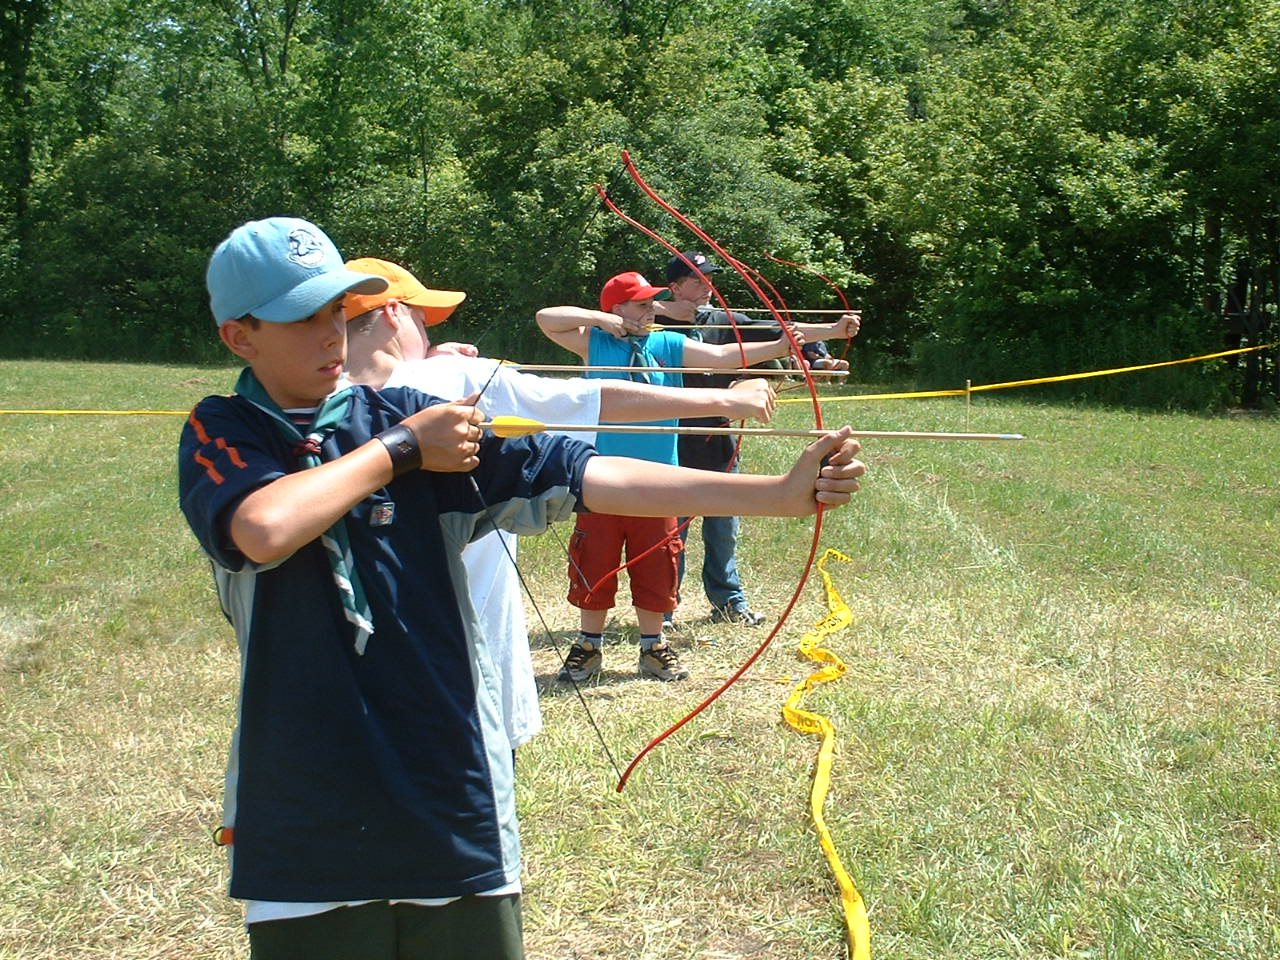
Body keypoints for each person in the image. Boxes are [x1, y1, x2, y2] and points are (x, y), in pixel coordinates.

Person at [178, 217, 867, 959]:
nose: (328, 335)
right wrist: (403, 450)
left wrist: (777, 494)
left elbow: (584, 472)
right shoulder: (228, 429)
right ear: (239, 337)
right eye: (299, 319)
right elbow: (264, 527)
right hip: (301, 792)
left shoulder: (407, 415)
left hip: (447, 782)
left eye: (335, 312)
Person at [341, 256, 778, 749]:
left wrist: (427, 363)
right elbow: (594, 398)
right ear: (394, 314)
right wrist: (728, 402)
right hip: (471, 683)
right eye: (422, 321)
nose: (428, 334)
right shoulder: (458, 378)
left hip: (363, 677)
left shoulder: (307, 409)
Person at [536, 271, 855, 682]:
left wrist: (780, 345)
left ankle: (653, 645)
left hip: (660, 480)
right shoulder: (594, 342)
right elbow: (547, 318)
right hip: (601, 478)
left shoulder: (667, 343)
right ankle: (588, 645)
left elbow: (722, 357)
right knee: (594, 562)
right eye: (641, 305)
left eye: (652, 303)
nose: (651, 311)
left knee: (658, 563)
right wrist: (602, 321)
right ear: (616, 309)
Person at [654, 251, 862, 625]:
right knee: (672, 533)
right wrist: (658, 309)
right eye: (697, 280)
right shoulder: (651, 324)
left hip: (717, 442)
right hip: (670, 444)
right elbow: (608, 318)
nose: (707, 287)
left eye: (710, 279)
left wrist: (833, 329)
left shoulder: (723, 320)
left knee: (723, 531)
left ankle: (729, 603)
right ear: (675, 287)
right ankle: (662, 608)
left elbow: (780, 329)